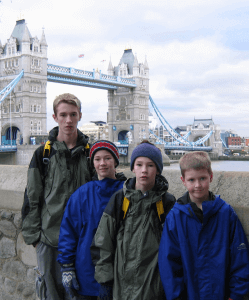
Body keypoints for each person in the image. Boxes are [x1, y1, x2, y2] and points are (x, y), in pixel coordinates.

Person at [21, 93, 92, 300]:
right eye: (63, 115)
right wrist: (35, 240)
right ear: (55, 117)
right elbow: (32, 198)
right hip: (49, 240)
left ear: (80, 116)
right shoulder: (43, 154)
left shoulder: (91, 153)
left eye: (73, 114)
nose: (68, 120)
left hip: (83, 242)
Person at [158, 151, 249, 300]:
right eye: (191, 180)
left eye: (202, 178)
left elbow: (240, 256)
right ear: (183, 181)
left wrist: (236, 294)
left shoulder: (226, 213)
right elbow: (168, 264)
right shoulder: (175, 217)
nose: (198, 185)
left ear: (211, 177)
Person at [91, 140, 176, 300]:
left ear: (158, 169)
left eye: (150, 165)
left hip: (153, 289)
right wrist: (105, 282)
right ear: (132, 168)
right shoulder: (120, 199)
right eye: (139, 164)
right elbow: (103, 244)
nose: (144, 170)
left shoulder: (167, 203)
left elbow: (175, 249)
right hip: (121, 288)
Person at [57, 140, 126, 300]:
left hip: (120, 273)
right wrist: (67, 267)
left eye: (107, 158)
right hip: (87, 273)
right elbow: (68, 232)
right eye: (97, 159)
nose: (103, 163)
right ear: (92, 162)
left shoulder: (128, 192)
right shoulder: (81, 195)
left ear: (115, 161)